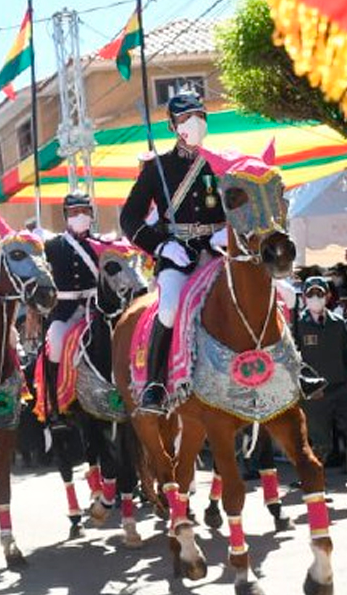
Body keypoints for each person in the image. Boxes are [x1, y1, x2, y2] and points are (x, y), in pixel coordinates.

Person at [119, 91, 227, 413]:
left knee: (270, 290)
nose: (194, 123)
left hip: (220, 250)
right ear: (172, 126)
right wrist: (161, 245)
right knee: (167, 308)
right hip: (178, 254)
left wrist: (230, 231)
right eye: (184, 118)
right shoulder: (157, 169)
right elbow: (129, 217)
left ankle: (288, 369)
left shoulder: (222, 162)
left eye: (199, 115)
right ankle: (155, 383)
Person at [296, 278, 347, 497]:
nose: (315, 298)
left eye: (319, 293)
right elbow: (291, 361)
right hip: (315, 393)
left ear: (328, 296)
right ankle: (315, 485)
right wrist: (305, 386)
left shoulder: (337, 322)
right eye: (310, 293)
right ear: (304, 297)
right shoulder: (297, 324)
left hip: (341, 388)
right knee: (322, 444)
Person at [41, 192, 101, 428]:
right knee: (54, 343)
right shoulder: (52, 246)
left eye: (84, 211)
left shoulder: (101, 244)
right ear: (66, 216)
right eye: (74, 212)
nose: (80, 216)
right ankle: (56, 406)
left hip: (95, 308)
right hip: (65, 309)